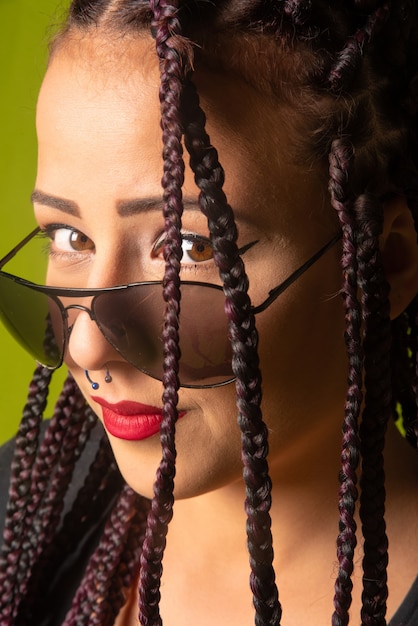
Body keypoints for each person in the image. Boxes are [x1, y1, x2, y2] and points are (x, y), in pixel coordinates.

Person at [0, 0, 417, 624]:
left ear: (386, 262)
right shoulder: (20, 509)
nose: (86, 347)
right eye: (69, 238)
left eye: (190, 248)